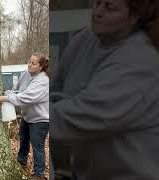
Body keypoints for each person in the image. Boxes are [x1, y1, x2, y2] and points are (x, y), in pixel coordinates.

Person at [51, 0, 159, 179]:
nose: (97, 12)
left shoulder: (139, 62)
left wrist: (35, 111)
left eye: (110, 7)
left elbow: (78, 118)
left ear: (134, 17)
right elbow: (56, 87)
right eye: (98, 3)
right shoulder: (87, 39)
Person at [0, 53, 49, 180]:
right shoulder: (25, 74)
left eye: (34, 63)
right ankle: (21, 162)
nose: (30, 65)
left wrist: (2, 98)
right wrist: (8, 93)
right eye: (29, 61)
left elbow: (25, 97)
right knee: (23, 139)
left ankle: (39, 174)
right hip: (27, 116)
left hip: (41, 119)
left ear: (41, 66)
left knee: (37, 145)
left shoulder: (43, 81)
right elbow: (17, 90)